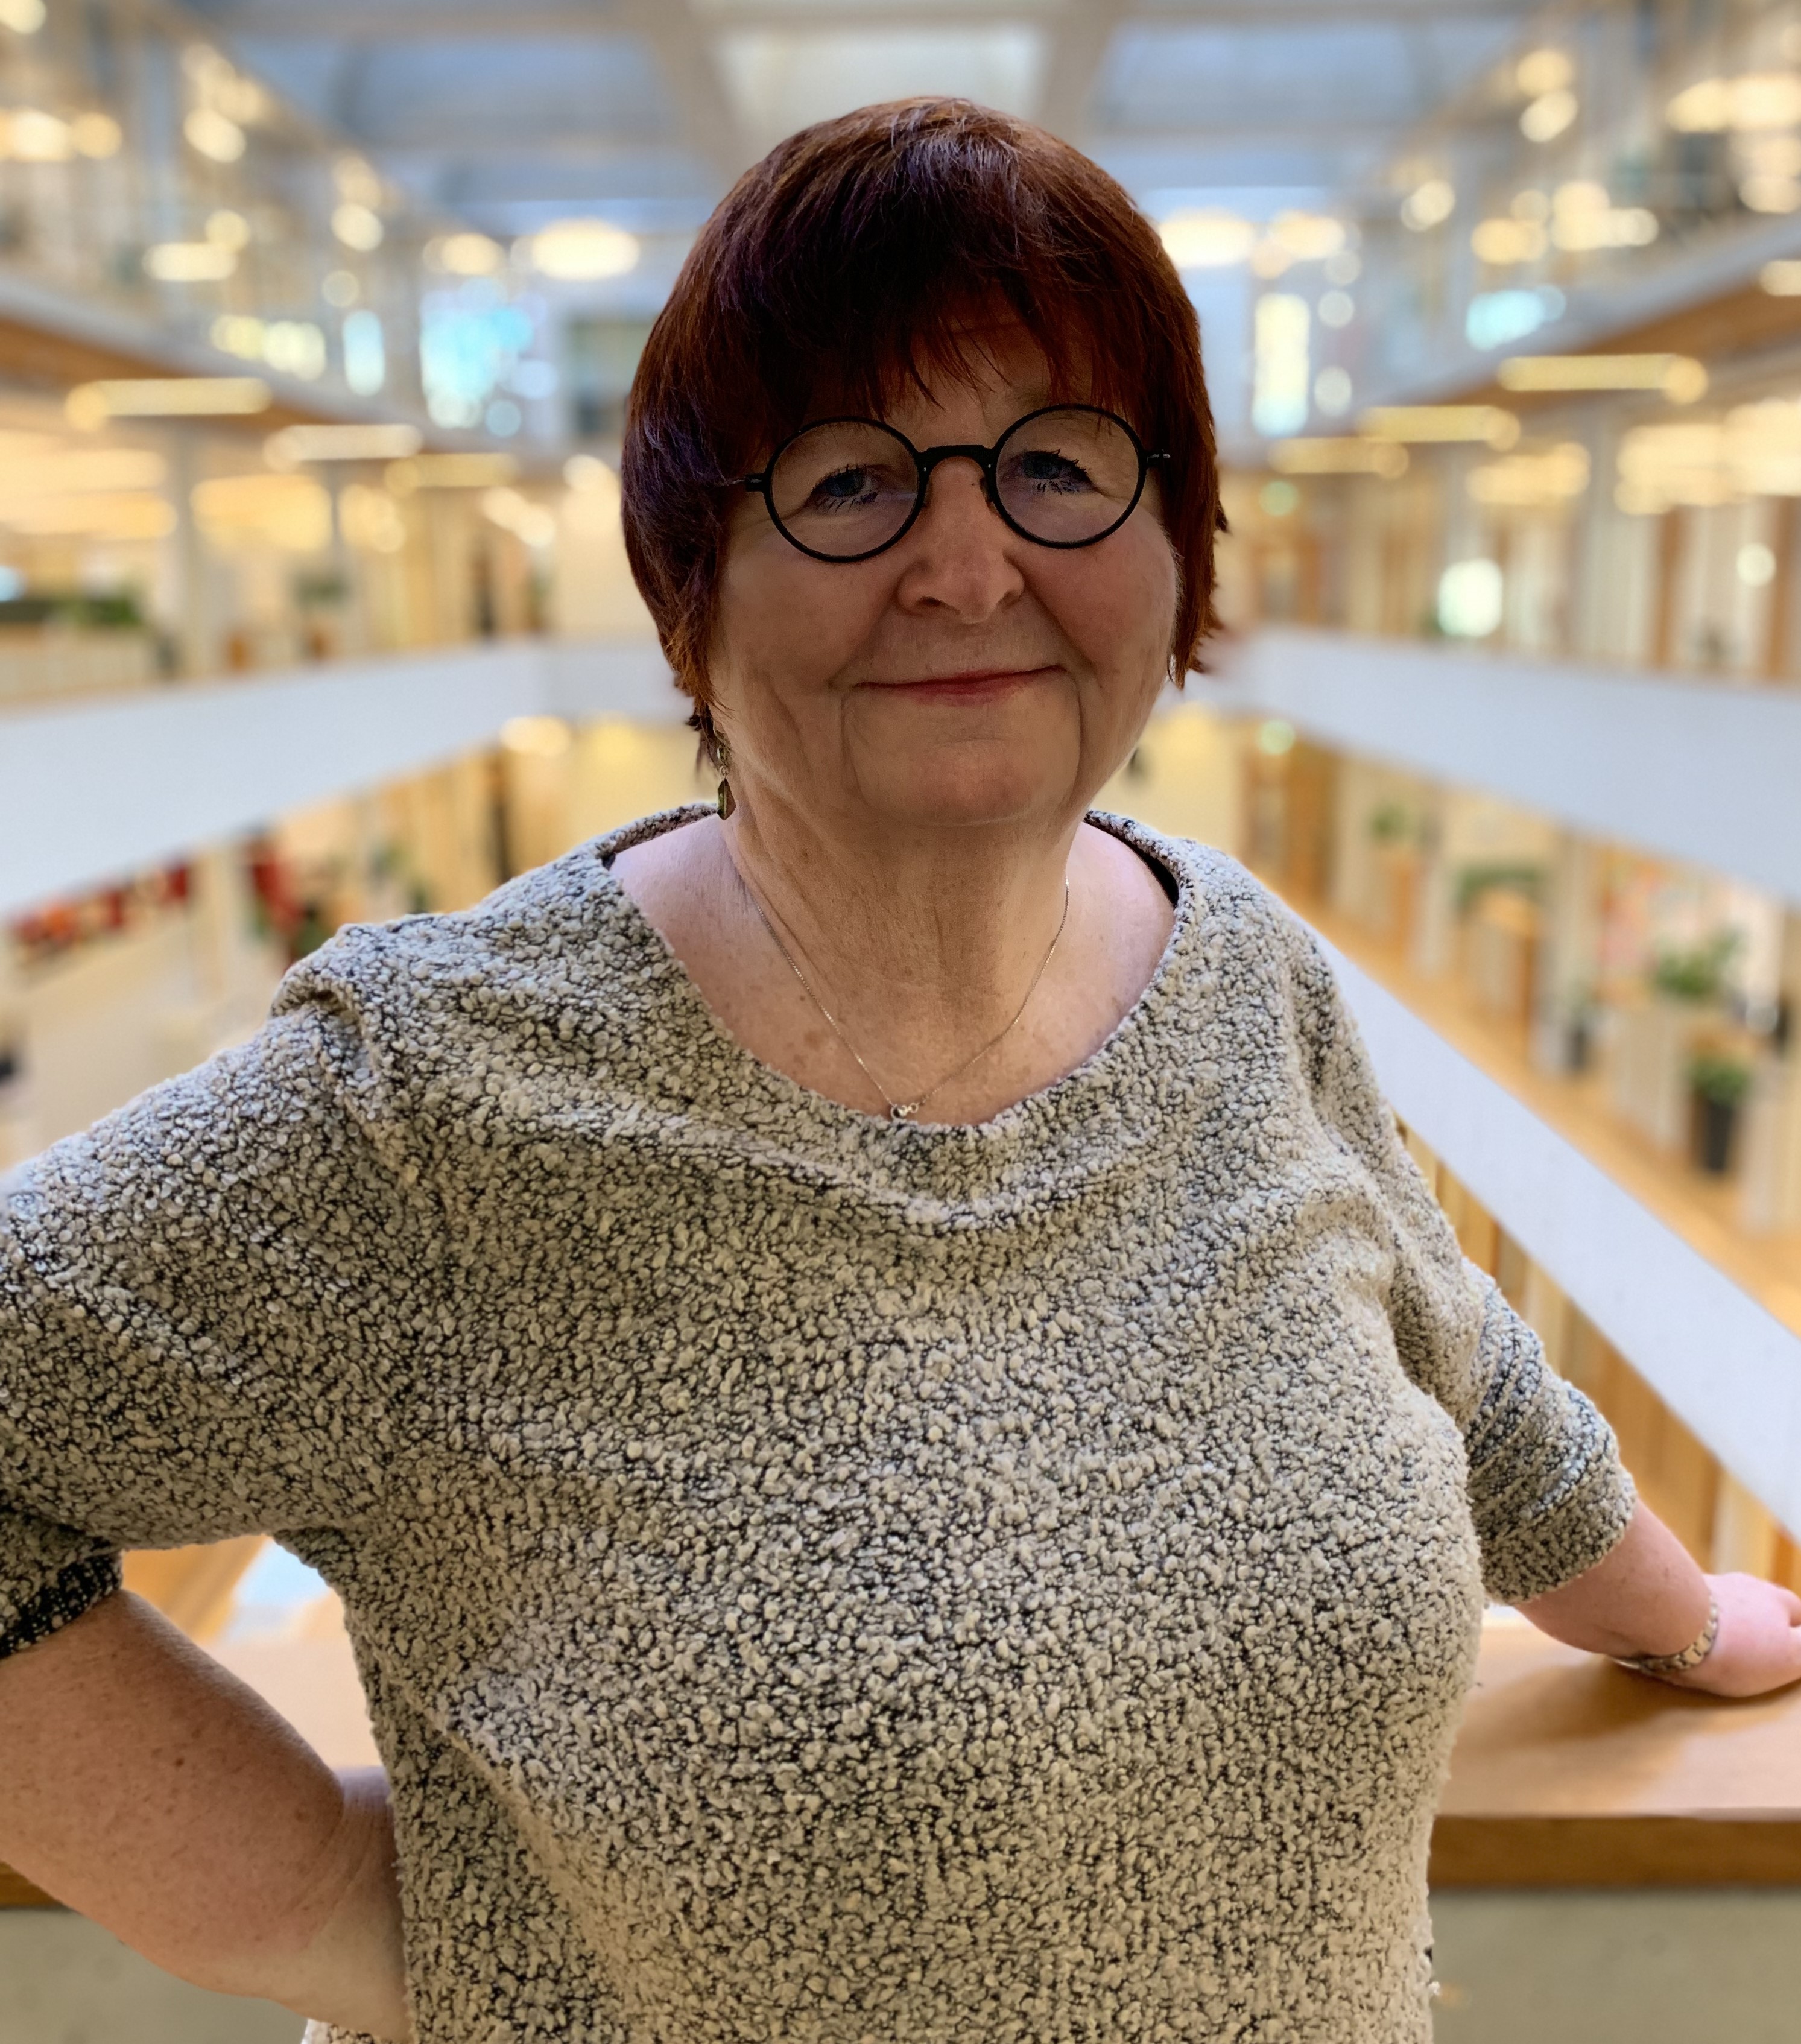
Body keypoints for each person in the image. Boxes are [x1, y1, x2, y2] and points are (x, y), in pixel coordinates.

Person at [2, 97, 1798, 2044]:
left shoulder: (1241, 969)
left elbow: (1446, 1353)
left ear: (1174, 542)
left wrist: (1675, 1612)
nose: (965, 563)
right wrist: (328, 1912)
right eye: (849, 479)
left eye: (1055, 465)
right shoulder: (440, 1100)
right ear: (690, 583)